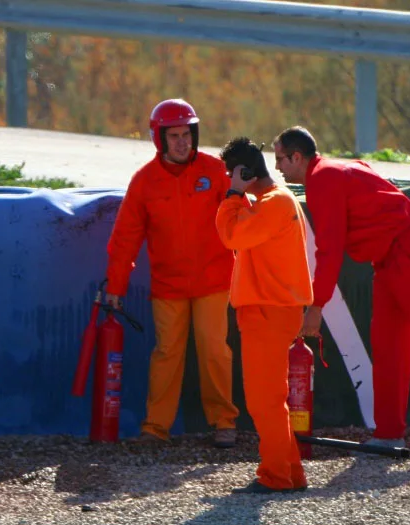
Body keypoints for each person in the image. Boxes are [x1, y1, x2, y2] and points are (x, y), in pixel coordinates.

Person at [274, 126, 410, 449]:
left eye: (281, 159)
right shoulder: (338, 168)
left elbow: (329, 248)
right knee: (387, 346)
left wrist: (316, 307)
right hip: (391, 257)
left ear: (297, 157)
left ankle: (390, 432)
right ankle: (388, 433)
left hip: (407, 251)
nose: (278, 168)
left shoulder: (323, 179)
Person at [105, 98, 240, 447]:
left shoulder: (215, 170)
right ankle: (156, 428)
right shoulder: (144, 182)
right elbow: (124, 240)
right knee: (167, 354)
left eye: (187, 134)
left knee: (214, 350)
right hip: (168, 286)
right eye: (174, 135)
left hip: (214, 280)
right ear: (159, 138)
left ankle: (224, 421)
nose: (182, 142)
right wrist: (116, 285)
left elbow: (243, 218)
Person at [216, 137, 312, 493]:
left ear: (242, 172)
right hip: (271, 310)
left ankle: (275, 477)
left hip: (268, 311)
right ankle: (290, 473)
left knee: (264, 401)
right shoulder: (273, 202)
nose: (229, 181)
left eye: (232, 175)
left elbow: (230, 236)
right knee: (272, 400)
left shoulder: (272, 204)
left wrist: (233, 195)